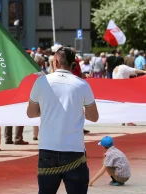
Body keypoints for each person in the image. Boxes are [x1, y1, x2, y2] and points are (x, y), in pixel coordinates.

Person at [27, 47, 99, 194]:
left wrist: (47, 109)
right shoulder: (82, 84)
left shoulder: (41, 82)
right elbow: (94, 117)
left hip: (48, 148)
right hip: (74, 149)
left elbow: (31, 113)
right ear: (73, 64)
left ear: (57, 61)